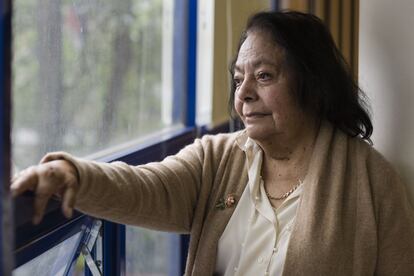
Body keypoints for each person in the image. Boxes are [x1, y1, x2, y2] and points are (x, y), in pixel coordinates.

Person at [11, 11, 414, 276]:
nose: (244, 95)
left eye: (265, 76)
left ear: (312, 84)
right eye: (239, 79)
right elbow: (144, 186)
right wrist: (71, 174)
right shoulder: (217, 158)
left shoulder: (372, 181)